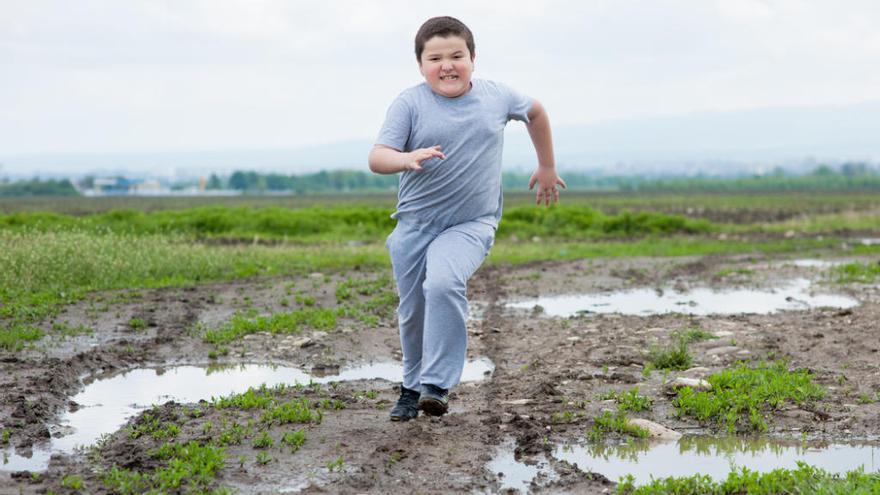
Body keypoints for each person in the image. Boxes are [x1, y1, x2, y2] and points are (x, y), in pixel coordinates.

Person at [368, 16, 565, 420]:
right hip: (415, 225)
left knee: (442, 283)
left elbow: (537, 113)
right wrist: (406, 158)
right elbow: (377, 157)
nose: (448, 65)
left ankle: (435, 385)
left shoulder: (497, 97)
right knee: (413, 308)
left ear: (473, 58)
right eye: (435, 57)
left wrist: (546, 165)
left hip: (471, 224)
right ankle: (410, 387)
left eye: (457, 55)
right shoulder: (409, 104)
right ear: (421, 65)